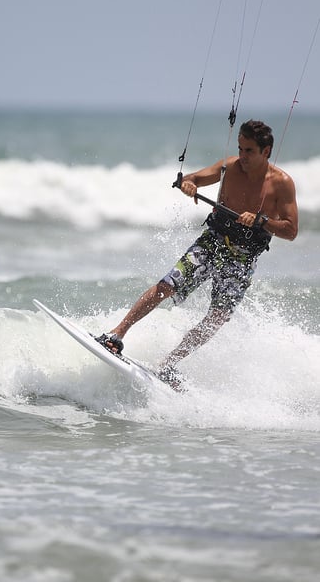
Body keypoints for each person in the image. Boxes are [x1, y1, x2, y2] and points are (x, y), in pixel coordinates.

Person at [96, 120, 298, 387]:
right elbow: (192, 179)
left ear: (266, 151)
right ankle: (116, 335)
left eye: (249, 150)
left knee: (217, 317)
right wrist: (190, 185)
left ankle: (168, 365)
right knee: (165, 286)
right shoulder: (230, 167)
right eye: (240, 148)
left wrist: (261, 221)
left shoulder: (282, 183)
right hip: (211, 242)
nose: (243, 156)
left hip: (243, 257)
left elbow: (291, 230)